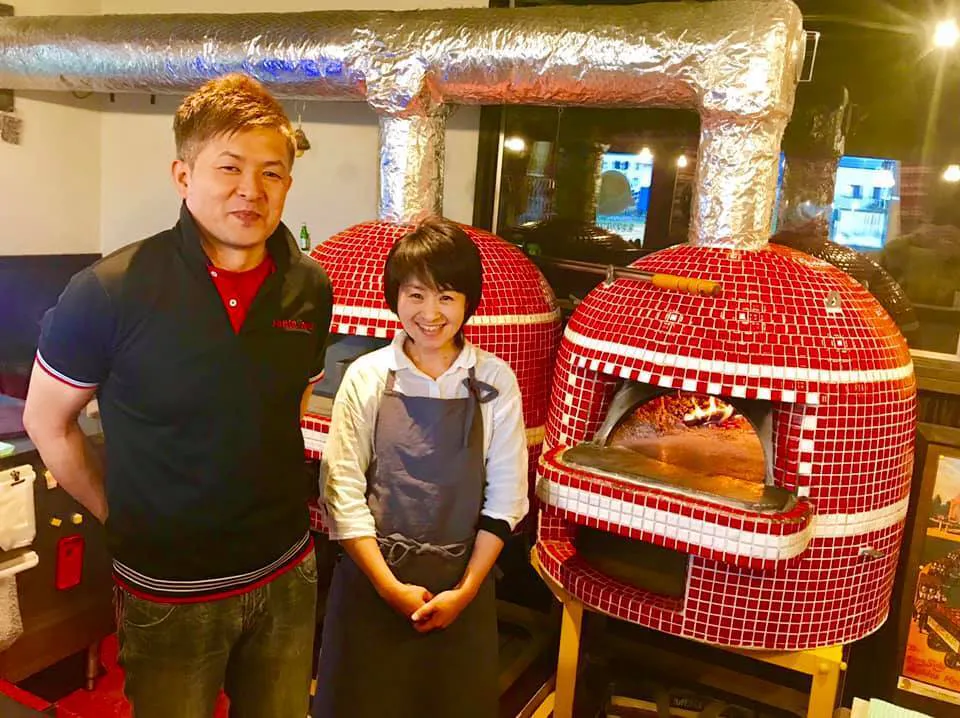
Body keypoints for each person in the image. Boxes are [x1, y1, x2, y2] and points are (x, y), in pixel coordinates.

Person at [22, 73, 332, 718]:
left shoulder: (309, 287)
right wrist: (118, 512)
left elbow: (290, 407)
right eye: (230, 167)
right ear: (183, 175)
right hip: (169, 589)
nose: (251, 190)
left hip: (285, 571)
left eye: (272, 173)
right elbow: (47, 422)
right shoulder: (110, 290)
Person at [313, 217, 529, 718]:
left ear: (468, 302)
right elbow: (341, 490)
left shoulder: (494, 380)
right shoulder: (367, 377)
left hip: (462, 585)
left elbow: (507, 497)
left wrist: (465, 592)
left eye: (446, 296)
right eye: (416, 295)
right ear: (395, 298)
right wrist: (389, 587)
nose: (430, 314)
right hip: (372, 584)